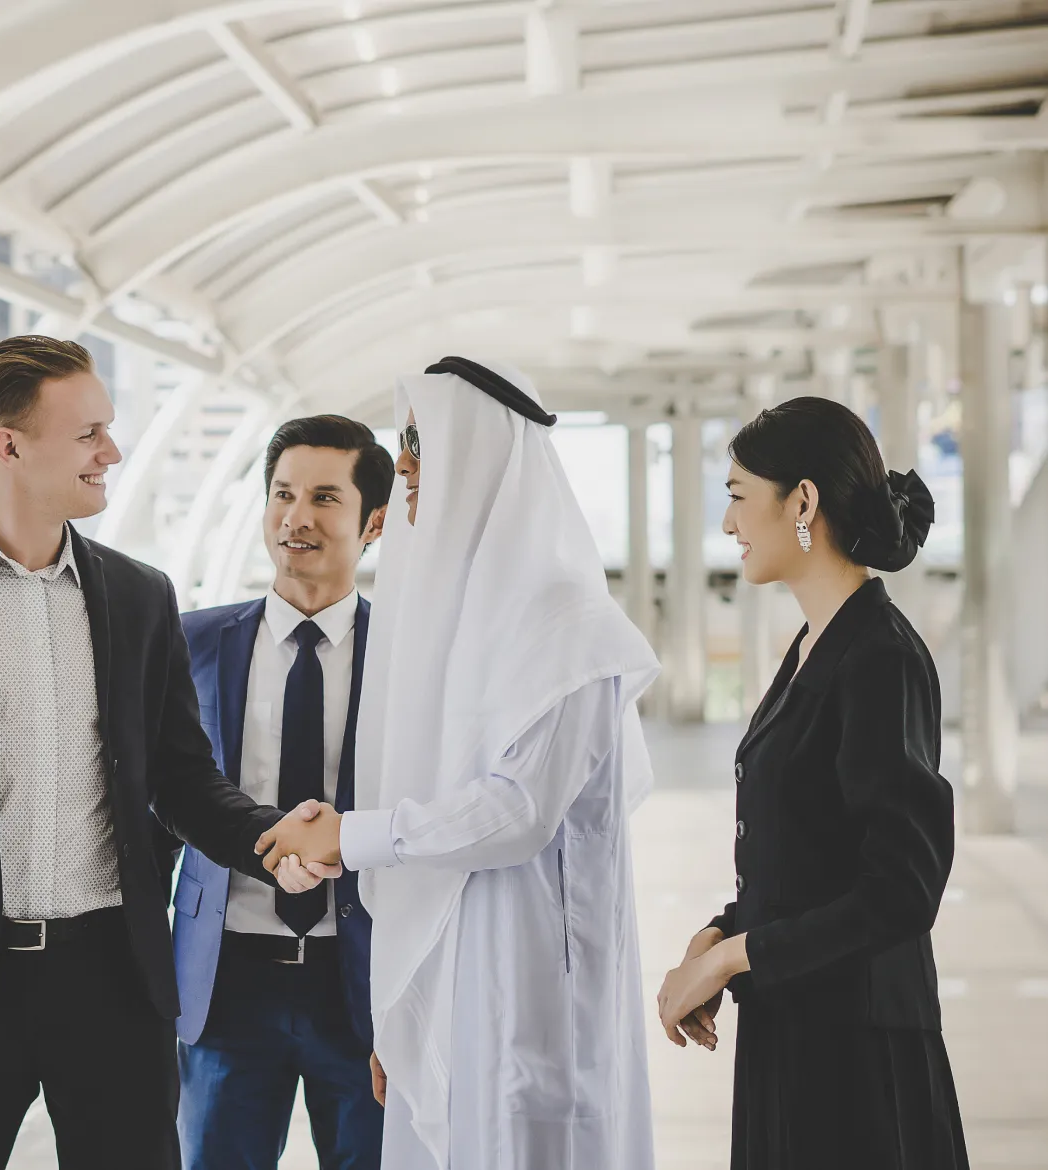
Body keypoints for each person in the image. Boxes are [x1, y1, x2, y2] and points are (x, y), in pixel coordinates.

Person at [0, 335, 321, 1170]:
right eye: (89, 434)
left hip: (113, 979)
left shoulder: (139, 596)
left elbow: (181, 779)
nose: (110, 452)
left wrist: (268, 838)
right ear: (9, 446)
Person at [257, 357, 662, 1170]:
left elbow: (518, 812)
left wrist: (351, 836)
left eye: (421, 447)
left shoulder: (566, 621)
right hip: (456, 982)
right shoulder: (461, 622)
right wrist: (405, 1015)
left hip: (535, 992)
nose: (405, 470)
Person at [656, 396, 967, 1170]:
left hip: (858, 1066)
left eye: (737, 495)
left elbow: (902, 889)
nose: (728, 522)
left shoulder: (881, 658)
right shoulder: (812, 645)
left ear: (802, 502)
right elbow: (815, 854)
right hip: (795, 1038)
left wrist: (732, 959)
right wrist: (722, 933)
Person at [170, 415, 392, 1170]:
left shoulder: (406, 659)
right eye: (283, 494)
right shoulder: (188, 644)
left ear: (374, 522)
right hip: (224, 982)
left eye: (325, 497)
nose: (297, 517)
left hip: (361, 982)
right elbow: (153, 809)